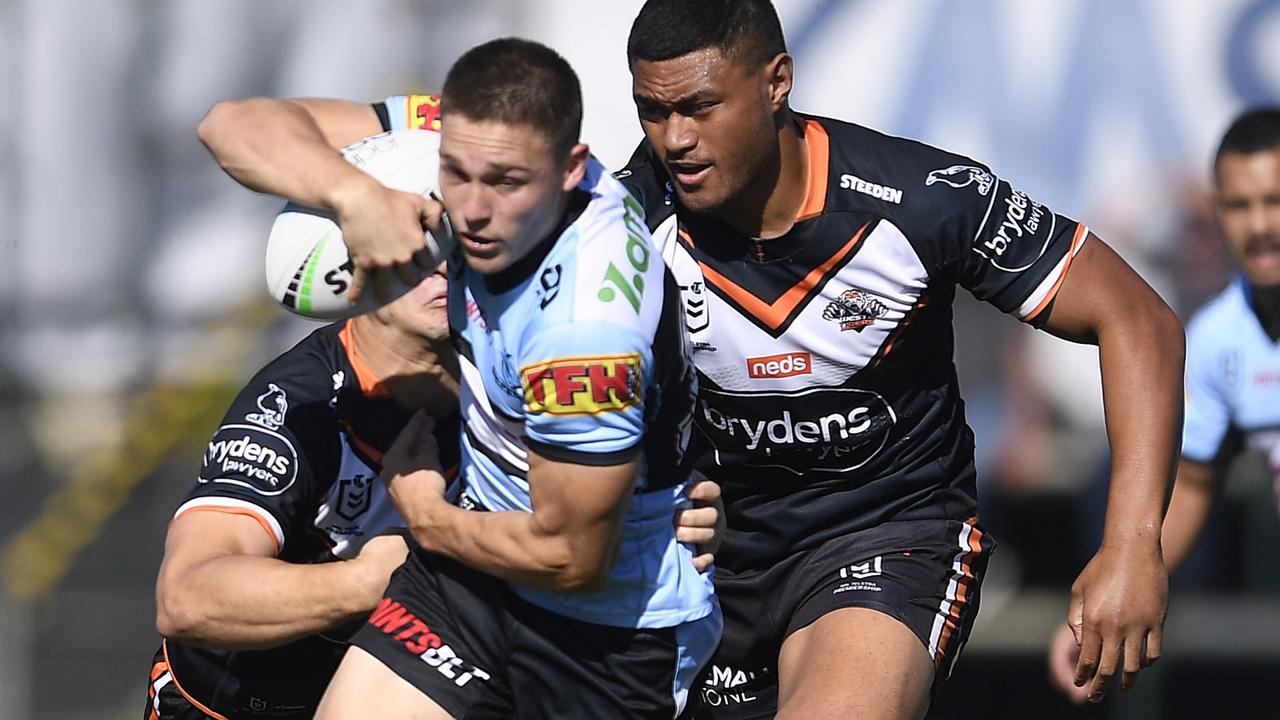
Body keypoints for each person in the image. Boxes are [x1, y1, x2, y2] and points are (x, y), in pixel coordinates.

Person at [200, 4, 1182, 717]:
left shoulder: (923, 199)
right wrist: (349, 193)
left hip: (874, 536)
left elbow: (1134, 320)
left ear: (776, 82)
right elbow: (236, 124)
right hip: (685, 555)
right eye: (650, 111)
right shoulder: (599, 206)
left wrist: (1131, 541)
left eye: (699, 108)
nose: (672, 139)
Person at [201, 37, 720, 718]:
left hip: (602, 628)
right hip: (466, 577)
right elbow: (231, 126)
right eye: (454, 173)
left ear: (571, 169)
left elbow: (569, 557)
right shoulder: (483, 143)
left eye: (504, 183)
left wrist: (425, 517)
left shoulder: (583, 327)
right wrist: (353, 194)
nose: (469, 211)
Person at [1049, 106, 1280, 703]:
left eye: (1275, 201)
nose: (1259, 225)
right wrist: (1108, 598)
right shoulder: (1215, 341)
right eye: (1238, 205)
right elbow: (1195, 487)